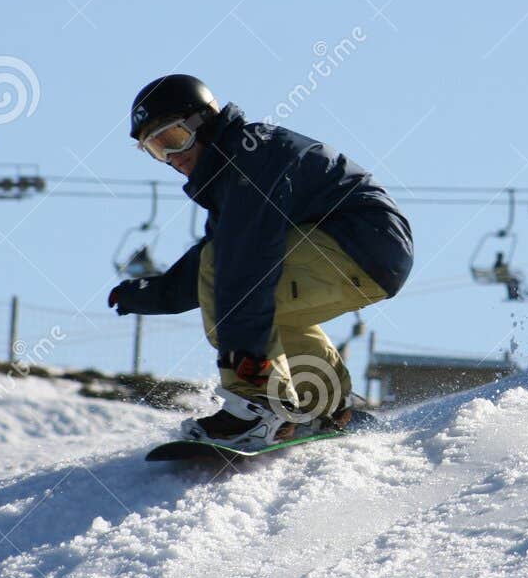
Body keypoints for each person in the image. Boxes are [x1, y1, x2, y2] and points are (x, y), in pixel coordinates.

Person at [109, 75, 414, 449]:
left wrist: (248, 371)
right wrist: (154, 294)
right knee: (259, 308)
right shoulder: (234, 166)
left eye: (174, 139)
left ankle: (256, 406)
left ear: (202, 122)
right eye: (157, 149)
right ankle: (322, 405)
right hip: (369, 254)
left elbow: (243, 265)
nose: (172, 158)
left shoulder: (250, 159)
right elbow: (223, 257)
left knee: (234, 283)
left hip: (358, 241)